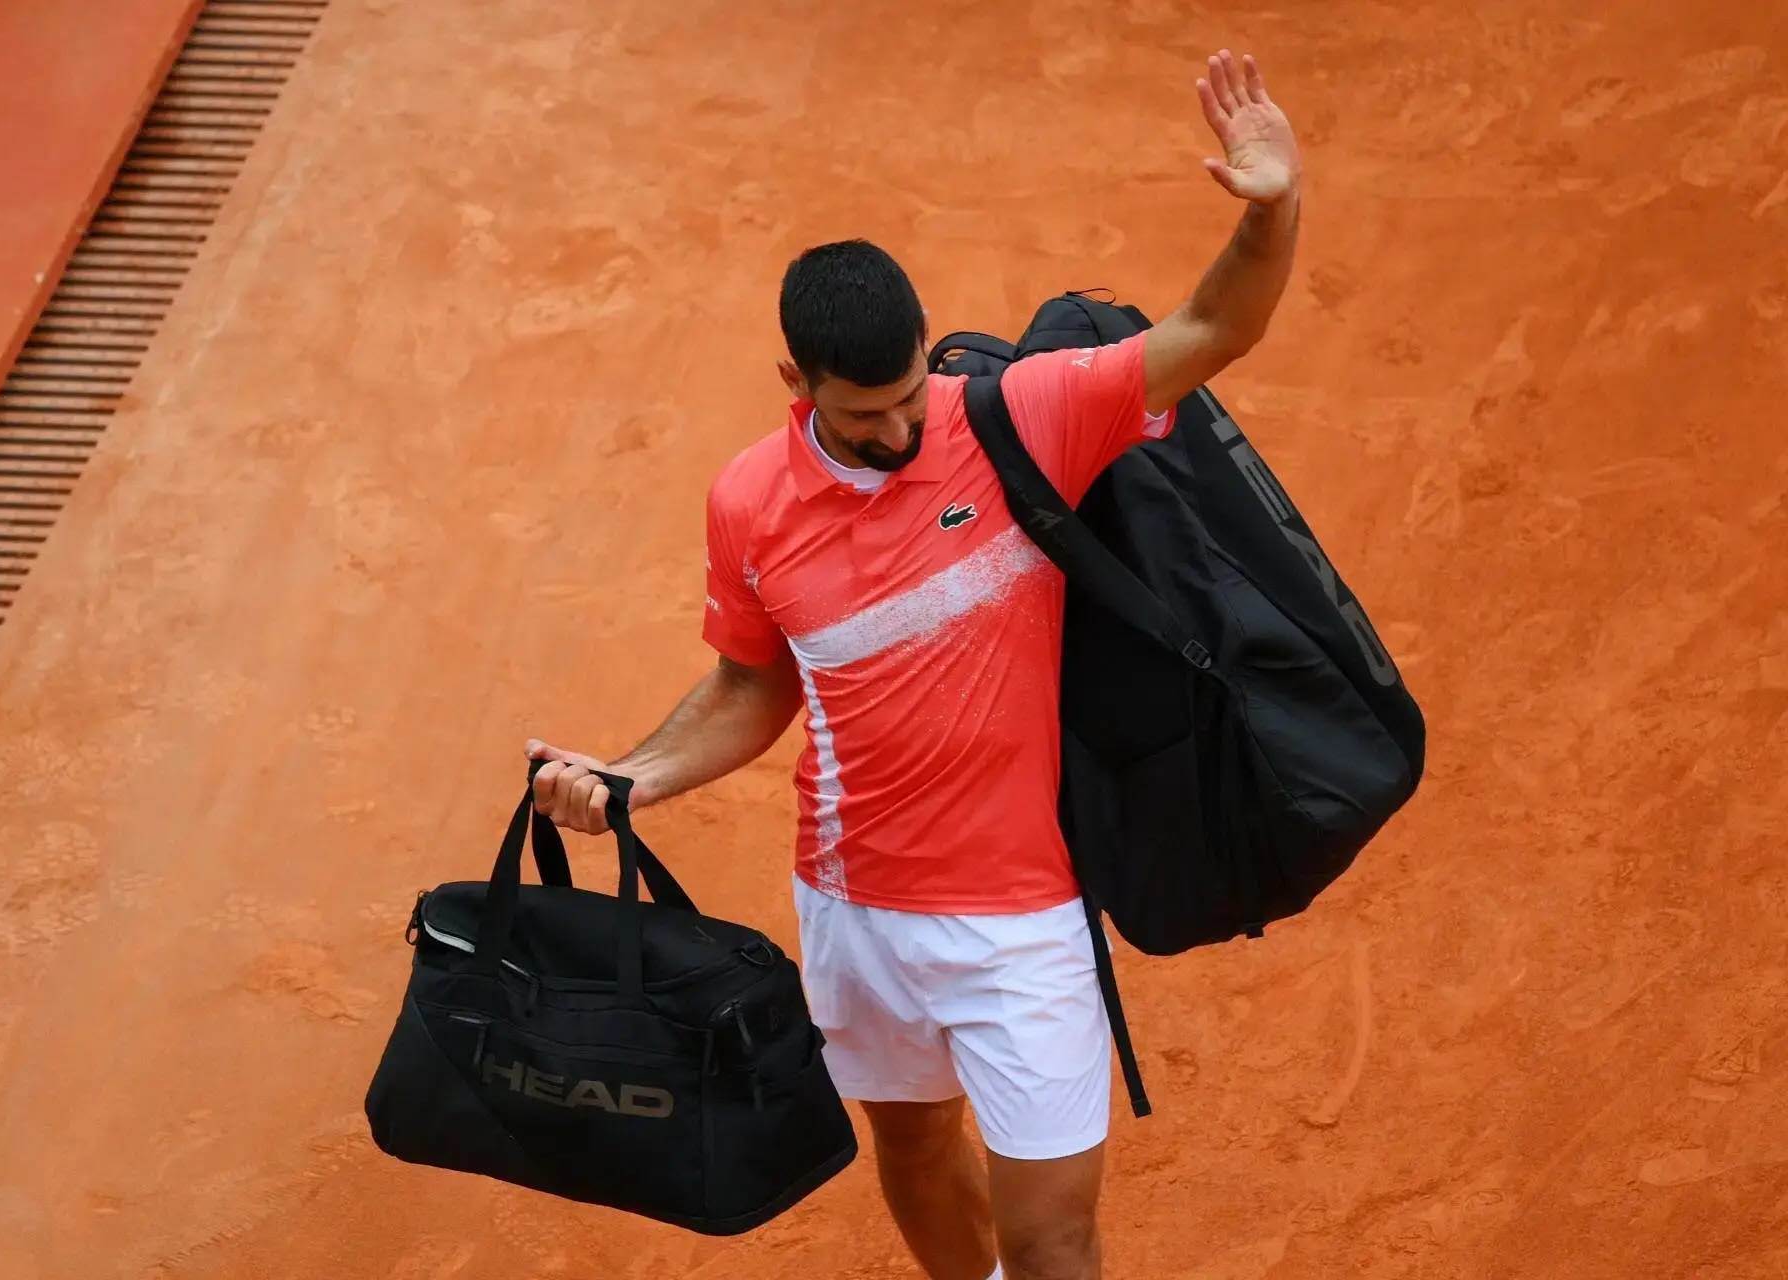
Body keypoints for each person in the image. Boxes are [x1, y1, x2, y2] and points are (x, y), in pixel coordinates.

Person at [526, 48, 1301, 1280]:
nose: (896, 430)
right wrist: (630, 778)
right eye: (861, 414)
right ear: (795, 383)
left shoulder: (1020, 418)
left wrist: (1271, 207)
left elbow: (1215, 327)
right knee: (917, 1151)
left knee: (1052, 1239)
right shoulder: (749, 503)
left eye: (907, 400)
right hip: (853, 910)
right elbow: (753, 683)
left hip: (1022, 920)